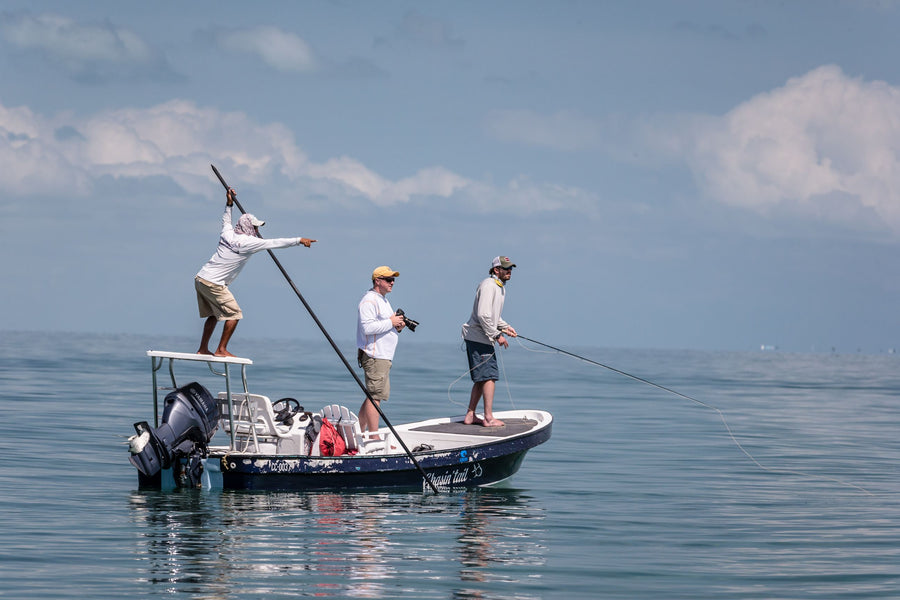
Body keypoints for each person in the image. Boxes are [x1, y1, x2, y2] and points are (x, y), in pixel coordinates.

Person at [195, 187, 316, 357]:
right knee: (234, 314)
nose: (257, 231)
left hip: (201, 278)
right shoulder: (249, 242)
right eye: (255, 227)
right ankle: (221, 349)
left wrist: (229, 204)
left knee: (215, 314)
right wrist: (299, 240)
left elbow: (226, 221)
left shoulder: (227, 234)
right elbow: (274, 242)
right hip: (214, 283)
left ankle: (202, 349)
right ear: (247, 227)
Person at [461, 256, 518, 427]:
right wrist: (497, 335)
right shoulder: (489, 285)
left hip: (482, 337)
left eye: (511, 269)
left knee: (481, 378)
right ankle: (488, 418)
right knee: (489, 377)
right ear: (496, 270)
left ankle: (470, 415)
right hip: (479, 337)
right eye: (506, 268)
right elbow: (483, 315)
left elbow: (493, 317)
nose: (509, 271)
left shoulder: (499, 288)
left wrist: (506, 327)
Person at [357, 266, 406, 434]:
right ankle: (373, 436)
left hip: (382, 356)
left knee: (373, 395)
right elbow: (367, 328)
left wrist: (397, 326)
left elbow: (384, 325)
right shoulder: (369, 300)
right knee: (375, 397)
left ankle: (359, 432)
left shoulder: (382, 300)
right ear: (377, 281)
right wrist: (391, 322)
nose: (392, 282)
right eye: (388, 279)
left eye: (393, 279)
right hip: (375, 355)